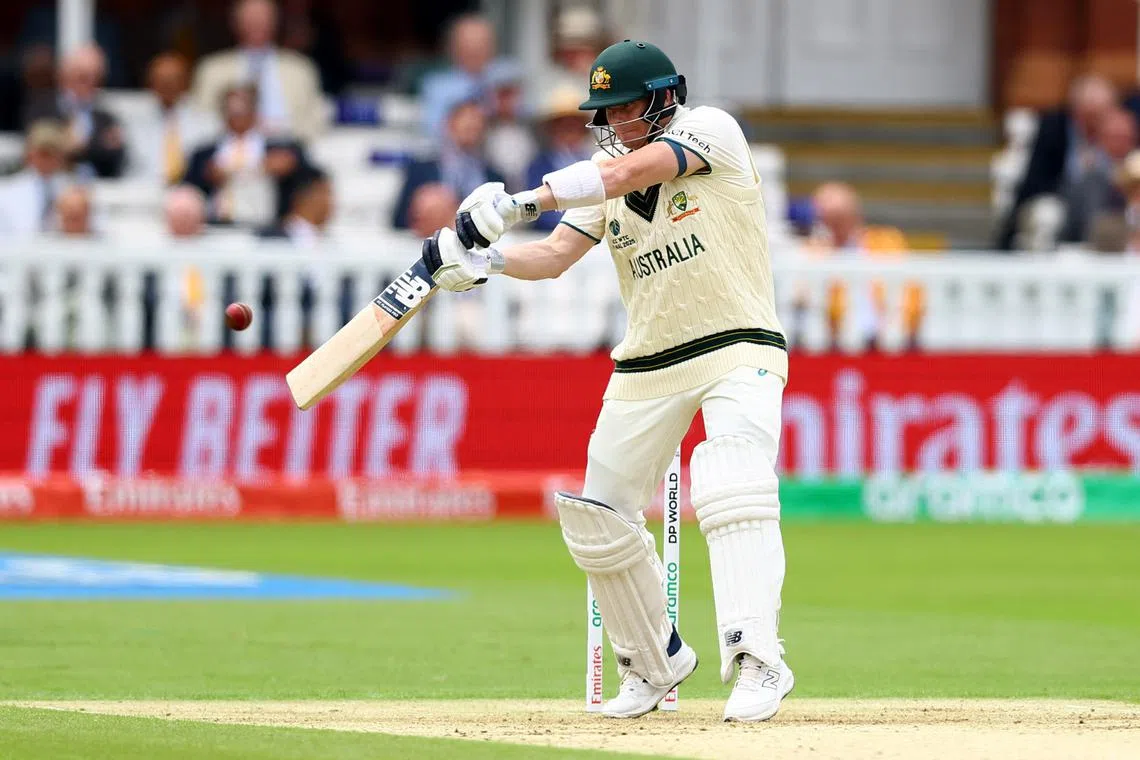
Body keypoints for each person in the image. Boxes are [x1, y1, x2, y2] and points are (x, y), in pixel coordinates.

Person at [423, 40, 793, 721]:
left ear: (662, 96)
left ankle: (759, 661)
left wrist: (518, 201)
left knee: (730, 479)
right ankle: (654, 666)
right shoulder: (603, 173)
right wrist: (487, 263)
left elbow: (636, 171)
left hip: (739, 344)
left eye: (625, 106)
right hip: (649, 361)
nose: (616, 121)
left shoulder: (709, 129)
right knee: (597, 519)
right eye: (606, 111)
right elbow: (557, 254)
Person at [997, 74, 1117, 250]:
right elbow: (1036, 181)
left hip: (1102, 209)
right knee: (1048, 214)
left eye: (1101, 115)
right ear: (1077, 110)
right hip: (1058, 202)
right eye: (1090, 115)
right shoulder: (1054, 129)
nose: (1096, 121)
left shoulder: (1118, 131)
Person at [192, 0, 326, 141]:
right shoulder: (212, 69)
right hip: (231, 152)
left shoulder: (301, 68)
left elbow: (317, 117)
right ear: (234, 22)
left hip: (287, 148)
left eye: (263, 17)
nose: (257, 23)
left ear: (276, 21)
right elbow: (201, 120)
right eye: (250, 17)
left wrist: (292, 142)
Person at [184, 83, 311, 227]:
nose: (237, 114)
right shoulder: (204, 153)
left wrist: (291, 165)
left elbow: (310, 179)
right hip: (217, 226)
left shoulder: (282, 148)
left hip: (269, 226)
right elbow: (188, 188)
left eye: (243, 108)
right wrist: (207, 176)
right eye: (232, 109)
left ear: (256, 110)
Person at [392, 98, 505, 230]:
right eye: (466, 122)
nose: (472, 126)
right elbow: (399, 220)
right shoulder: (420, 170)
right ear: (449, 125)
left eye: (477, 123)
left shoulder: (495, 177)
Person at [25, 44, 126, 179]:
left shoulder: (106, 117)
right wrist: (95, 146)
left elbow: (114, 160)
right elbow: (40, 148)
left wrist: (80, 147)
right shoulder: (41, 108)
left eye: (97, 78)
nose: (91, 83)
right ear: (64, 75)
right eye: (83, 77)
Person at [420, 14, 518, 139]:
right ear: (453, 49)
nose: (475, 50)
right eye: (468, 44)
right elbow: (433, 132)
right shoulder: (438, 87)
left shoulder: (508, 77)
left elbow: (525, 118)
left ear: (493, 47)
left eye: (482, 44)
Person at [129, 53, 219, 184]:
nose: (167, 85)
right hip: (144, 194)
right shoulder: (133, 125)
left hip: (191, 197)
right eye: (161, 80)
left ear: (186, 83)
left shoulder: (208, 124)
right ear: (150, 84)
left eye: (173, 79)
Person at [525, 86, 595, 231]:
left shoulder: (593, 161)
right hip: (551, 236)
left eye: (575, 125)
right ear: (553, 129)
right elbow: (536, 209)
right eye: (564, 125)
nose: (570, 131)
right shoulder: (538, 166)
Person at [0, 120, 73, 239]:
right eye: (43, 153)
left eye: (54, 153)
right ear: (29, 154)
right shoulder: (6, 191)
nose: (48, 159)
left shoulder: (73, 190)